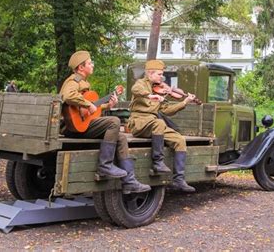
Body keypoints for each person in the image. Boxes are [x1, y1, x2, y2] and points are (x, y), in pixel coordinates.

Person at [60, 50, 150, 194]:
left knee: (120, 137)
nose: (92, 65)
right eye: (90, 63)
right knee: (114, 121)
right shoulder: (74, 80)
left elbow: (88, 111)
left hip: (82, 126)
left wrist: (107, 105)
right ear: (81, 67)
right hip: (73, 128)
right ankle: (105, 165)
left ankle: (130, 182)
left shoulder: (84, 83)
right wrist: (88, 104)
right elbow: (68, 95)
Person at [128, 59, 196, 193]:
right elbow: (135, 89)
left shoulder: (160, 90)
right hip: (139, 122)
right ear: (150, 73)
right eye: (159, 74)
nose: (162, 77)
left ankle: (178, 180)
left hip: (153, 123)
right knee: (159, 122)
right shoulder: (141, 84)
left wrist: (185, 102)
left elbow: (166, 110)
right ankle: (157, 162)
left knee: (180, 140)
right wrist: (150, 95)